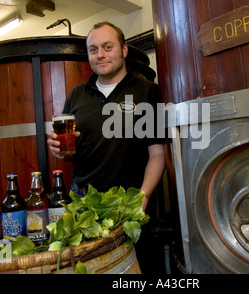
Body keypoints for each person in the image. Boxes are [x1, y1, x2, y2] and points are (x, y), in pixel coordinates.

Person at [47, 22, 165, 211]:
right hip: (83, 201)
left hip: (128, 201)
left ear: (124, 50)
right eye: (93, 50)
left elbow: (157, 154)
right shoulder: (77, 94)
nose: (100, 55)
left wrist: (143, 197)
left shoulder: (147, 92)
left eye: (107, 47)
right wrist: (62, 152)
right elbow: (70, 154)